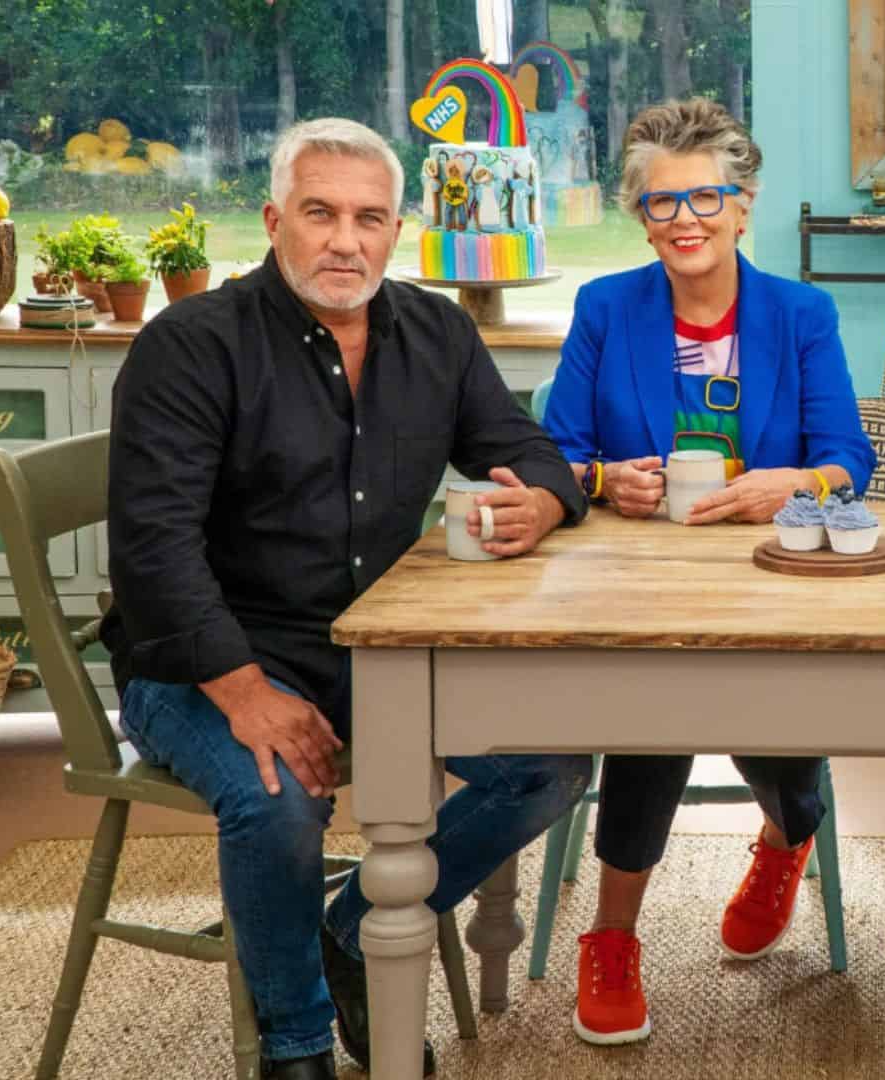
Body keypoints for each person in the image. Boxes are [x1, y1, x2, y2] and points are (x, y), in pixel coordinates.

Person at [103, 118, 595, 1080]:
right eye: (320, 213)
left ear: (397, 230)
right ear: (273, 219)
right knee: (278, 801)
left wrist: (538, 500)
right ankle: (295, 1046)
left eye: (369, 219)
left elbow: (528, 449)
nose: (345, 241)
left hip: (378, 652)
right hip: (202, 662)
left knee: (551, 762)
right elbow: (152, 553)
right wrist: (246, 692)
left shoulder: (437, 331)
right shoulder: (191, 345)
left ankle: (357, 928)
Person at [541, 98, 876, 1046]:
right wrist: (608, 480)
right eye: (661, 204)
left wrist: (795, 482)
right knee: (656, 706)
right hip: (639, 587)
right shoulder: (605, 308)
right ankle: (611, 937)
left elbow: (852, 453)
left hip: (772, 581)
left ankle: (784, 837)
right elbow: (555, 452)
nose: (684, 221)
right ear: (638, 216)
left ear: (743, 205)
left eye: (705, 199)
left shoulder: (800, 314)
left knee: (772, 713)